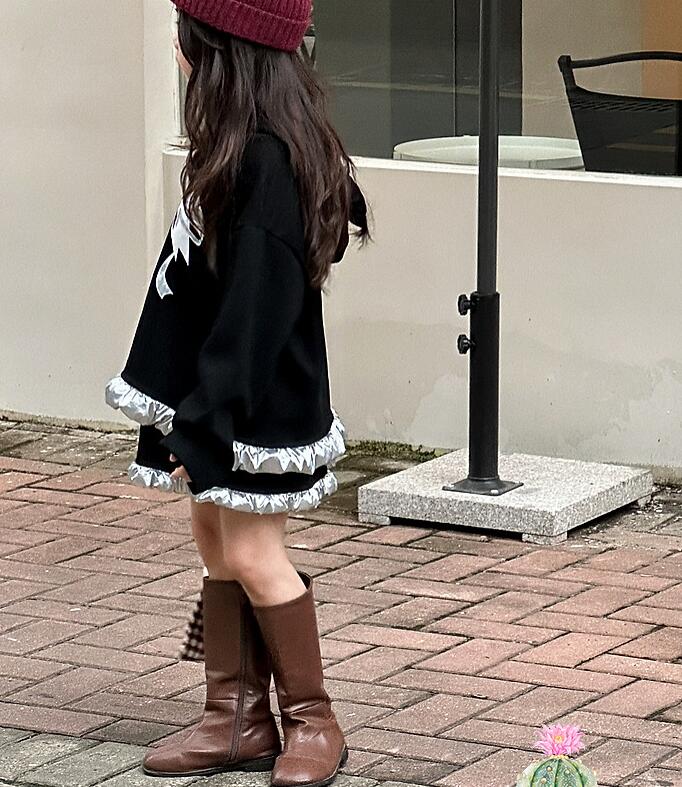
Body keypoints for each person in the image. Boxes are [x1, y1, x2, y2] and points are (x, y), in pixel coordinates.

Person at [104, 1, 369, 784]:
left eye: (185, 30)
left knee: (254, 552)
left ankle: (313, 720)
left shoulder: (267, 161)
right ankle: (236, 716)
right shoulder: (234, 143)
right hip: (212, 392)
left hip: (251, 403)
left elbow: (257, 309)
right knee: (216, 539)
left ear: (218, 50)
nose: (175, 44)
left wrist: (209, 418)